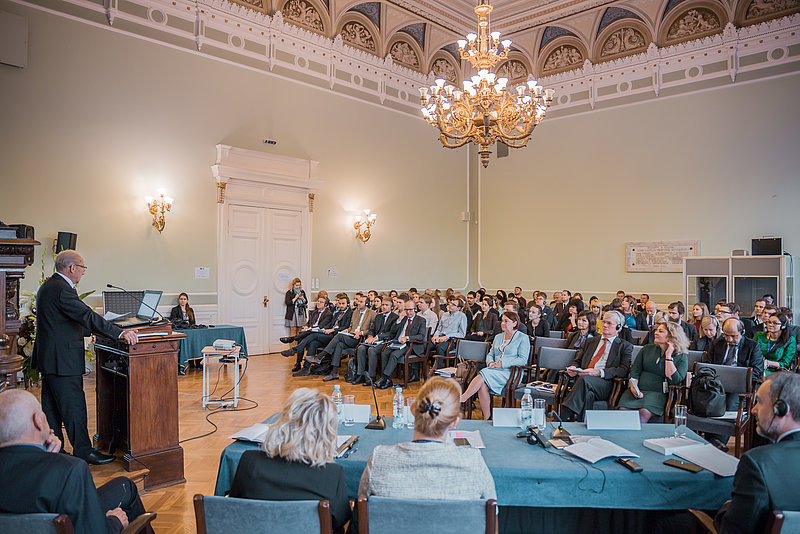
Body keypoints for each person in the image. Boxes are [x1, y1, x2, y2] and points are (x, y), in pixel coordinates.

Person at [32, 250, 138, 465]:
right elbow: (86, 315)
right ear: (72, 268)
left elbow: (62, 322)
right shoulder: (62, 290)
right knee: (74, 408)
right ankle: (83, 451)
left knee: (52, 407)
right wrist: (119, 332)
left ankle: (57, 450)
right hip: (63, 361)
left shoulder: (48, 286)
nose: (83, 272)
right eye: (82, 268)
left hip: (51, 359)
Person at [0, 390, 150, 533]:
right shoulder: (70, 470)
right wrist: (114, 521)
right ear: (38, 420)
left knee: (125, 486)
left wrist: (42, 447)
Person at [229, 388, 350, 533]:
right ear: (327, 431)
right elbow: (339, 521)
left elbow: (234, 508)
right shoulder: (333, 474)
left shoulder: (249, 462)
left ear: (285, 420)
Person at [360, 377, 496, 499]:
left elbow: (361, 512)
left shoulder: (380, 458)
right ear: (454, 422)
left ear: (413, 410)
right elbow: (491, 513)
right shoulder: (473, 461)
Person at [713, 372, 800, 534]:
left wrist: (725, 509)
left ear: (780, 409)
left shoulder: (756, 463)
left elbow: (733, 530)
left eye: (759, 402)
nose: (753, 410)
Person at [560, 310, 633, 422]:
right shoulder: (590, 341)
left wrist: (599, 372)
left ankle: (562, 417)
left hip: (606, 383)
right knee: (588, 395)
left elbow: (624, 370)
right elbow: (577, 361)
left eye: (609, 323)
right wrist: (574, 367)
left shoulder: (624, 346)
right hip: (584, 380)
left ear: (618, 327)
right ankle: (582, 425)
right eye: (604, 322)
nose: (604, 325)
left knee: (584, 380)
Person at [460, 312, 531, 420]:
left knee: (483, 373)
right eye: (502, 320)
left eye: (506, 321)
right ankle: (487, 418)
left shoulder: (523, 338)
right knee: (483, 386)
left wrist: (502, 364)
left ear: (515, 323)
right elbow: (490, 354)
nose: (503, 323)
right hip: (494, 370)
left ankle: (462, 399)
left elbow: (522, 360)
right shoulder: (498, 337)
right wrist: (491, 363)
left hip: (511, 372)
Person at [618, 322, 689, 423]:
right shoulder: (647, 349)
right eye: (656, 330)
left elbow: (674, 381)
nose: (656, 333)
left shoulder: (681, 357)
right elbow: (635, 370)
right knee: (623, 410)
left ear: (671, 336)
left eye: (661, 331)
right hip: (638, 390)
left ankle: (636, 438)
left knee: (644, 412)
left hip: (658, 394)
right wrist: (634, 387)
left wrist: (668, 356)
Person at [310, 292, 375, 382]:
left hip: (359, 339)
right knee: (339, 344)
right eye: (358, 301)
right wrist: (347, 330)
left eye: (361, 302)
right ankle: (334, 372)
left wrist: (361, 333)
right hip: (351, 335)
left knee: (339, 336)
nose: (358, 303)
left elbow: (372, 330)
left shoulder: (372, 313)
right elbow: (351, 327)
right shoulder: (355, 312)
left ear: (367, 304)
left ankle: (320, 356)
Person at [290, 294, 353, 377]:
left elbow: (346, 327)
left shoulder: (350, 313)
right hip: (328, 333)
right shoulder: (338, 313)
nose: (341, 305)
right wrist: (324, 329)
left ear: (347, 304)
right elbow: (331, 324)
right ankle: (305, 369)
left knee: (313, 335)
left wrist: (332, 330)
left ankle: (295, 349)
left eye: (343, 304)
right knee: (313, 343)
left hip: (336, 336)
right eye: (340, 303)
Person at [376, 299, 427, 389]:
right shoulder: (403, 319)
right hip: (398, 343)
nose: (408, 312)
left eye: (410, 310)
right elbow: (393, 331)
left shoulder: (421, 320)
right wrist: (399, 320)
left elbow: (421, 336)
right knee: (384, 353)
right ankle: (388, 380)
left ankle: (383, 378)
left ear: (415, 309)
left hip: (411, 345)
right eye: (406, 309)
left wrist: (407, 338)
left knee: (394, 355)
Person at [281, 296, 334, 372]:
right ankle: (298, 363)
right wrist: (306, 326)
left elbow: (320, 326)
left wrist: (309, 328)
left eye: (321, 302)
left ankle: (293, 341)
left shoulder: (328, 314)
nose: (318, 303)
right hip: (311, 332)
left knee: (309, 335)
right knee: (301, 338)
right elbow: (308, 323)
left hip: (321, 334)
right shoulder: (314, 312)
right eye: (318, 301)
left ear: (326, 305)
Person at [353, 296, 398, 385]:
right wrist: (369, 336)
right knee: (361, 348)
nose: (384, 307)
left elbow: (392, 333)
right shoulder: (378, 316)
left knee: (371, 350)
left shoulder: (395, 317)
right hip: (374, 340)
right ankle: (360, 375)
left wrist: (377, 337)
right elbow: (372, 329)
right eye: (383, 305)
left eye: (387, 305)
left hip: (385, 341)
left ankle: (371, 377)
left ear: (391, 307)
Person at [431, 297, 468, 364]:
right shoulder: (445, 314)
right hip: (440, 337)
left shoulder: (462, 316)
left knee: (440, 347)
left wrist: (447, 336)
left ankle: (438, 369)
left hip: (451, 340)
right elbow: (439, 328)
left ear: (458, 308)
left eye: (453, 305)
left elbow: (462, 334)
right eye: (450, 303)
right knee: (427, 345)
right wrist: (435, 335)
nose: (450, 305)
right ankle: (423, 370)